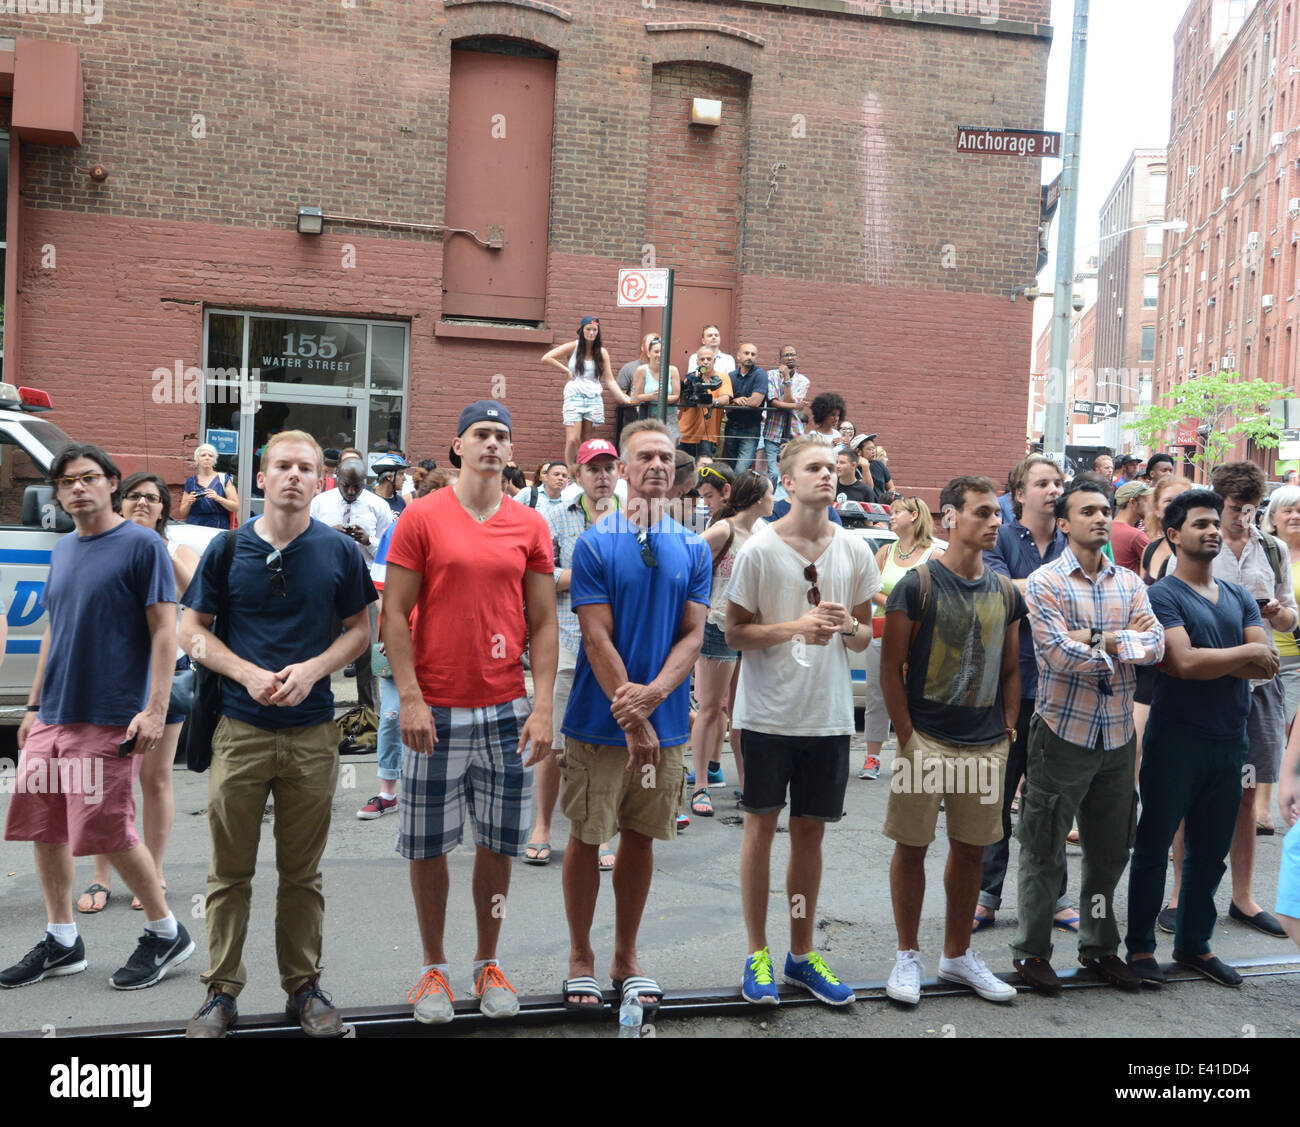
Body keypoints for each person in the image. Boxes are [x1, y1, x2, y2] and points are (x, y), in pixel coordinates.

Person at [180, 431, 376, 1036]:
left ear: (320, 481)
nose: (294, 476)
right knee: (229, 873)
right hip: (239, 729)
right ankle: (221, 994)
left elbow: (360, 630)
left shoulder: (338, 552)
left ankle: (304, 988)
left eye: (306, 468)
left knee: (301, 874)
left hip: (312, 732)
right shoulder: (227, 549)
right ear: (261, 479)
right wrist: (245, 671)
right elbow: (193, 630)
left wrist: (315, 669)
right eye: (282, 466)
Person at [384, 400, 558, 1023]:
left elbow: (542, 623)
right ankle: (434, 968)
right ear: (458, 446)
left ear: (512, 452)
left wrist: (542, 708)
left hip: (505, 711)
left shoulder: (530, 525)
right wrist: (409, 698)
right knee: (428, 846)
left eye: (502, 436)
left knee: (498, 845)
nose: (492, 444)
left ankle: (488, 960)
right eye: (481, 434)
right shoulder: (421, 517)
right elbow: (393, 618)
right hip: (435, 709)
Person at [1, 445, 190, 992]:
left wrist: (154, 709)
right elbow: (53, 631)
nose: (78, 488)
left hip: (110, 713)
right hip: (53, 714)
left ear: (111, 483)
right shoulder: (62, 551)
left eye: (89, 478)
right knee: (45, 826)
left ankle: (165, 931)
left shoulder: (141, 545)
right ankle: (62, 940)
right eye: (67, 481)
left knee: (106, 829)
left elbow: (164, 631)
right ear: (58, 494)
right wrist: (33, 708)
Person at [557, 419, 710, 1015]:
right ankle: (580, 958)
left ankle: (626, 957)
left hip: (665, 726)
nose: (656, 466)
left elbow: (694, 636)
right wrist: (633, 714)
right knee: (587, 836)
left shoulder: (693, 547)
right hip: (599, 725)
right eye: (644, 456)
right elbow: (596, 636)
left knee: (641, 839)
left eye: (666, 458)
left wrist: (654, 700)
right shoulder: (595, 543)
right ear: (621, 469)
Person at [727, 438, 880, 1006]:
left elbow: (866, 633)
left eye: (831, 467)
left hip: (828, 716)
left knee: (810, 836)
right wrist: (795, 627)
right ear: (786, 482)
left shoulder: (856, 548)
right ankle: (756, 954)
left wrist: (844, 628)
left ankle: (800, 953)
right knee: (760, 832)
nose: (828, 474)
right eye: (813, 468)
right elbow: (736, 633)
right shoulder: (760, 550)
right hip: (767, 714)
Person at [1012, 480, 1164, 994]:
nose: (1101, 518)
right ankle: (1032, 953)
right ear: (1063, 523)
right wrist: (1122, 644)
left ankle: (1098, 947)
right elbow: (1056, 653)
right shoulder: (1045, 582)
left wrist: (1099, 639)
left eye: (1105, 509)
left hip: (1118, 737)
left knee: (1108, 852)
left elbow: (1157, 644)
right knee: (1043, 848)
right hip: (1061, 733)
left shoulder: (1129, 582)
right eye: (1088, 511)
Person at [880, 475, 1024, 1006]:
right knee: (912, 847)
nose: (994, 522)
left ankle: (957, 955)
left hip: (986, 742)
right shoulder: (915, 585)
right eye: (983, 513)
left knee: (970, 851)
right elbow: (891, 669)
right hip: (928, 739)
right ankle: (908, 955)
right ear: (950, 517)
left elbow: (1012, 670)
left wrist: (1008, 728)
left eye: (997, 515)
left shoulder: (1006, 591)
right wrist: (906, 735)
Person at [1125, 489, 1279, 986]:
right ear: (1173, 535)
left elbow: (1268, 658)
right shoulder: (1161, 596)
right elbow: (1183, 664)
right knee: (1153, 847)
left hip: (1228, 740)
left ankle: (1195, 946)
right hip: (1176, 739)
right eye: (1200, 524)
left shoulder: (1236, 595)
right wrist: (1239, 657)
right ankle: (1142, 950)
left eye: (1216, 522)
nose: (1213, 530)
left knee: (1210, 852)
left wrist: (1221, 658)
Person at [1158, 462, 1296, 940]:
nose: (1239, 519)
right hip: (1199, 693)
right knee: (1184, 795)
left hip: (1257, 690)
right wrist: (1244, 652)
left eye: (1249, 509)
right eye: (1233, 509)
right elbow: (1183, 650)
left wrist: (1279, 616)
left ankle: (1243, 897)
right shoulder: (1195, 547)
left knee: (1246, 793)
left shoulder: (1273, 550)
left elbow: (1284, 629)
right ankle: (1178, 896)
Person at [77, 473, 200, 915]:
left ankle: (154, 870)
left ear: (164, 510)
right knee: (108, 781)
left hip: (164, 677)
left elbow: (197, 596)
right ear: (118, 500)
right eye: (134, 496)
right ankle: (101, 876)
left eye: (153, 498)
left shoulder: (175, 548)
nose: (143, 503)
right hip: (110, 679)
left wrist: (159, 551)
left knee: (155, 777)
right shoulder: (98, 546)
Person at [975, 454, 1079, 934]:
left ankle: (1054, 897)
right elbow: (998, 591)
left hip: (1061, 686)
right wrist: (1056, 590)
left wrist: (1036, 593)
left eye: (1058, 482)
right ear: (1019, 494)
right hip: (1009, 687)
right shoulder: (1001, 537)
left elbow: (1085, 600)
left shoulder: (1070, 540)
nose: (1053, 489)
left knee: (1051, 799)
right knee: (994, 797)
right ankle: (985, 896)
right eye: (1043, 483)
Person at [523, 439, 619, 870]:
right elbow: (541, 577)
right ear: (577, 474)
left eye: (608, 467)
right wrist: (591, 574)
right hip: (565, 639)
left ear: (619, 473)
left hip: (617, 646)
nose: (601, 475)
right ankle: (542, 824)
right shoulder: (552, 517)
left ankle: (600, 832)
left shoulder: (634, 520)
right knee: (553, 743)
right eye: (592, 468)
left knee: (607, 743)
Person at [689, 469, 775, 817]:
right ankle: (700, 787)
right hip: (717, 626)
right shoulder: (723, 529)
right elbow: (689, 564)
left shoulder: (764, 531)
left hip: (750, 632)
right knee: (711, 709)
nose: (774, 499)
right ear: (757, 498)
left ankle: (747, 784)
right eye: (771, 493)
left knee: (742, 712)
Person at [860, 497, 942, 780]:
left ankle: (910, 758)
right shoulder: (885, 551)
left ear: (915, 516)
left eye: (897, 513)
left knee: (913, 698)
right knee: (877, 694)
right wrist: (896, 604)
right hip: (883, 632)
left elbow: (938, 596)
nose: (891, 517)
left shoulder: (934, 555)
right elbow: (868, 587)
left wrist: (902, 607)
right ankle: (872, 757)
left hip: (917, 637)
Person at [311, 457, 393, 716]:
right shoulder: (319, 503)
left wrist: (368, 540)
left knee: (367, 651)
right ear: (336, 476)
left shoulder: (378, 506)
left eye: (356, 487)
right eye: (346, 485)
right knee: (321, 644)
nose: (350, 492)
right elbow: (304, 540)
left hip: (363, 584)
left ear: (365, 483)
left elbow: (389, 550)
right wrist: (328, 535)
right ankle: (316, 705)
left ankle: (369, 712)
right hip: (328, 583)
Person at [542, 316, 632, 475]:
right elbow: (547, 357)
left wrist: (625, 398)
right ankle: (570, 473)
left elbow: (610, 380)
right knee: (572, 439)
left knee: (587, 440)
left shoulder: (602, 352)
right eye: (588, 329)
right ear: (582, 330)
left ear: (598, 332)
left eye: (594, 330)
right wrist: (566, 371)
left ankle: (585, 471)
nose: (591, 332)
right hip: (574, 395)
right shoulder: (573, 347)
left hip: (594, 397)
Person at [1262, 483, 1300, 833]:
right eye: (1288, 510)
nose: (1295, 515)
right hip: (1267, 657)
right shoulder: (1266, 553)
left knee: (1294, 732)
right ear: (1273, 517)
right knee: (1273, 734)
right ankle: (1263, 807)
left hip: (1299, 661)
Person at [762, 345, 810, 487]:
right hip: (772, 432)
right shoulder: (770, 375)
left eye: (792, 355)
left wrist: (786, 378)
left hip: (794, 435)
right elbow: (773, 402)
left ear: (797, 358)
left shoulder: (804, 381)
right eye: (786, 355)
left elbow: (787, 401)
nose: (790, 358)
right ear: (780, 359)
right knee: (774, 474)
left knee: (792, 472)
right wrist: (796, 406)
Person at [677, 344, 733, 460]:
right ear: (697, 362)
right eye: (702, 359)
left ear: (714, 361)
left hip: (708, 435)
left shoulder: (722, 377)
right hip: (686, 432)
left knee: (704, 471)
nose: (706, 362)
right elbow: (682, 402)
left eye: (709, 359)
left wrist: (712, 402)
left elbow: (725, 399)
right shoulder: (691, 378)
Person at [724, 343, 767, 475]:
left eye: (753, 354)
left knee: (741, 469)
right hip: (731, 427)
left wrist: (733, 402)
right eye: (746, 353)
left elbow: (755, 401)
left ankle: (735, 494)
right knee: (730, 467)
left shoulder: (760, 375)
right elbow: (726, 402)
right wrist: (734, 400)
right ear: (738, 356)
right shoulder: (730, 376)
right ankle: (731, 494)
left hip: (750, 429)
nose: (749, 357)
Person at [178, 443, 239, 528]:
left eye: (210, 456)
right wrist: (189, 502)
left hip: (218, 527)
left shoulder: (224, 479)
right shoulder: (191, 482)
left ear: (214, 460)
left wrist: (218, 498)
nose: (207, 458)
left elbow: (235, 507)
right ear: (197, 459)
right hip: (194, 527)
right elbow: (183, 513)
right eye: (203, 455)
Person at [631, 336, 681, 427]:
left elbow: (676, 396)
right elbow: (635, 397)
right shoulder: (641, 370)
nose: (660, 355)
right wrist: (652, 396)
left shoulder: (673, 370)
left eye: (663, 352)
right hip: (648, 419)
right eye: (656, 352)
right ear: (649, 354)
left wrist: (662, 397)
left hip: (669, 419)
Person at [1110, 481, 1151, 575]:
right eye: (1145, 501)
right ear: (1133, 502)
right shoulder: (1135, 535)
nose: (1149, 506)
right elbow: (1159, 564)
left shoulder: (1108, 527)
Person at [862, 434, 893, 501]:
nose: (873, 451)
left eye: (874, 448)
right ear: (858, 451)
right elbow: (866, 489)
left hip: (879, 507)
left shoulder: (879, 465)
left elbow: (891, 488)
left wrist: (885, 501)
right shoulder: (854, 467)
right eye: (869, 449)